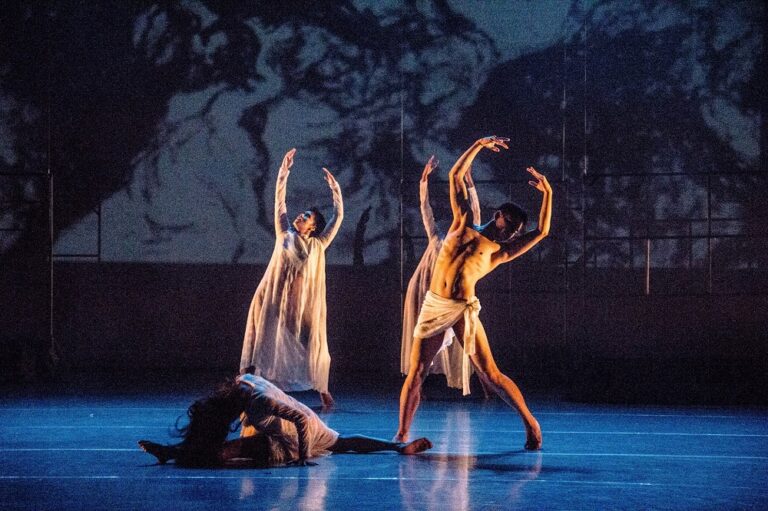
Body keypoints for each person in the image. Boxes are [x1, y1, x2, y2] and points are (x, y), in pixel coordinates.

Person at [396, 136, 552, 450]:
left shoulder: (499, 252)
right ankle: (401, 434)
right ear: (498, 215)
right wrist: (478, 145)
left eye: (516, 230)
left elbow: (543, 231)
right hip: (434, 304)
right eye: (511, 224)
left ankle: (530, 423)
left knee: (491, 373)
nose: (513, 232)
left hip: (463, 308)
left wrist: (548, 193)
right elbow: (455, 176)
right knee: (417, 371)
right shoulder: (463, 222)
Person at [138, 372, 433, 468]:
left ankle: (173, 454)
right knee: (343, 443)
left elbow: (301, 424)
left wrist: (303, 457)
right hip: (297, 422)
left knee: (229, 452)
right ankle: (172, 453)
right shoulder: (246, 381)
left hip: (295, 433)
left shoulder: (259, 402)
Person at [240, 148, 342, 409]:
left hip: (299, 305)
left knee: (313, 343)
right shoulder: (284, 233)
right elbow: (279, 201)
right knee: (260, 339)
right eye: (302, 214)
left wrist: (335, 190)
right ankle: (244, 384)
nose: (301, 216)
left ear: (313, 227)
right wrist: (284, 170)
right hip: (271, 296)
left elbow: (338, 217)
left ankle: (322, 389)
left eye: (307, 216)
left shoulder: (318, 245)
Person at [401, 155, 493, 398]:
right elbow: (426, 210)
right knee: (425, 344)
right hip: (429, 290)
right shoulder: (437, 237)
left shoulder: (467, 238)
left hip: (454, 295)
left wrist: (470, 183)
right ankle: (417, 385)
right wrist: (424, 182)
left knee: (468, 341)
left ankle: (484, 384)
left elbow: (475, 214)